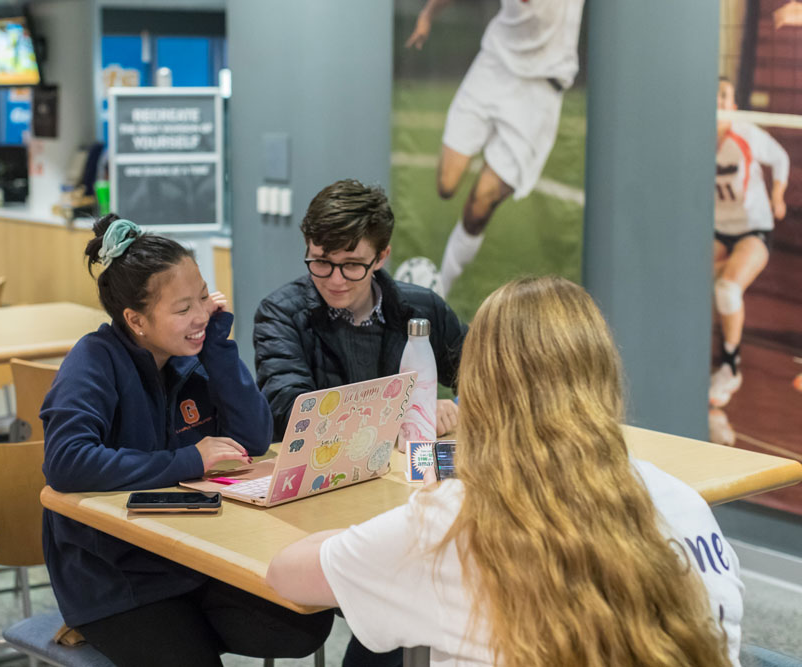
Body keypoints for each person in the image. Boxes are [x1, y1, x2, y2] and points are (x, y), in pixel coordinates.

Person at [266, 276, 743, 667]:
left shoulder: (452, 520)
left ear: (481, 383)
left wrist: (376, 529)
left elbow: (286, 573)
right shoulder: (681, 500)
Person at [41, 214, 333, 666]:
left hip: (192, 558)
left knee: (302, 626)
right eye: (182, 309)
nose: (200, 316)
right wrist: (188, 460)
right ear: (135, 320)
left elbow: (254, 439)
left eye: (203, 297)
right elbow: (66, 463)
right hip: (115, 577)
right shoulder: (94, 360)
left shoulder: (190, 357)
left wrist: (218, 348)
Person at [254, 179, 466, 666]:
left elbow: (490, 376)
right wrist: (405, 416)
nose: (334, 279)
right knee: (409, 595)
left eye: (353, 265)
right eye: (320, 261)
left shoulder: (420, 310)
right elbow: (291, 413)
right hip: (319, 509)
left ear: (382, 256)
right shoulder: (282, 313)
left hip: (403, 497)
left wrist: (457, 408)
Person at [406, 0, 586, 297]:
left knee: (479, 207)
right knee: (446, 184)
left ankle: (439, 294)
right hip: (495, 66)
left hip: (539, 89)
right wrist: (427, 14)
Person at [710, 77, 789, 408]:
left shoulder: (746, 133)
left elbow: (781, 158)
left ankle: (731, 366)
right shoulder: (693, 133)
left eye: (724, 96)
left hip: (753, 228)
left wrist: (778, 195)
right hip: (716, 229)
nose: (717, 100)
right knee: (689, 283)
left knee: (727, 288)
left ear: (732, 105)